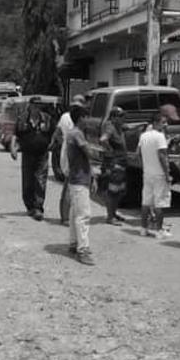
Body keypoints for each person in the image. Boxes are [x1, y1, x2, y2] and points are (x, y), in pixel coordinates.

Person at [64, 101, 99, 265]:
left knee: (74, 213)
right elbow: (89, 153)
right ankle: (82, 249)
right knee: (83, 215)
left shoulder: (74, 133)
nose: (89, 120)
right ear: (81, 118)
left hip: (77, 177)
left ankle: (74, 242)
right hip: (79, 178)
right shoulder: (77, 134)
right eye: (86, 117)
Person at [14, 96, 55, 221]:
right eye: (35, 105)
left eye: (39, 105)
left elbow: (54, 133)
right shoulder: (22, 119)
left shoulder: (47, 119)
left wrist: (51, 144)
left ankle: (38, 207)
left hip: (42, 154)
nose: (37, 108)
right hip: (27, 154)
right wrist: (13, 149)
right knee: (27, 181)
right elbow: (16, 135)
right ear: (30, 106)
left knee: (40, 180)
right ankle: (29, 206)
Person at [138, 113, 174, 238]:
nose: (166, 125)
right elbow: (162, 156)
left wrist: (145, 165)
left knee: (146, 202)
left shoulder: (143, 136)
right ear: (156, 123)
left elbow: (139, 153)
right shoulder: (160, 137)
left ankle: (143, 228)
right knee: (159, 203)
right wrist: (167, 173)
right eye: (163, 122)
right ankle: (159, 230)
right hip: (159, 174)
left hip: (147, 173)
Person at [54, 95, 87, 225]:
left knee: (68, 185)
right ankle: (66, 217)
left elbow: (57, 134)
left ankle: (66, 215)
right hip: (73, 152)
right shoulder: (77, 119)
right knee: (69, 186)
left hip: (66, 150)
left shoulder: (64, 117)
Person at [100, 107, 129, 225]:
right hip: (114, 163)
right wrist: (110, 149)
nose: (123, 119)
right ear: (113, 117)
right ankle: (110, 217)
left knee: (120, 190)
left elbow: (128, 127)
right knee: (113, 191)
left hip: (120, 163)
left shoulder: (119, 127)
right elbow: (103, 139)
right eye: (120, 116)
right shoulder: (110, 127)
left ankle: (113, 213)